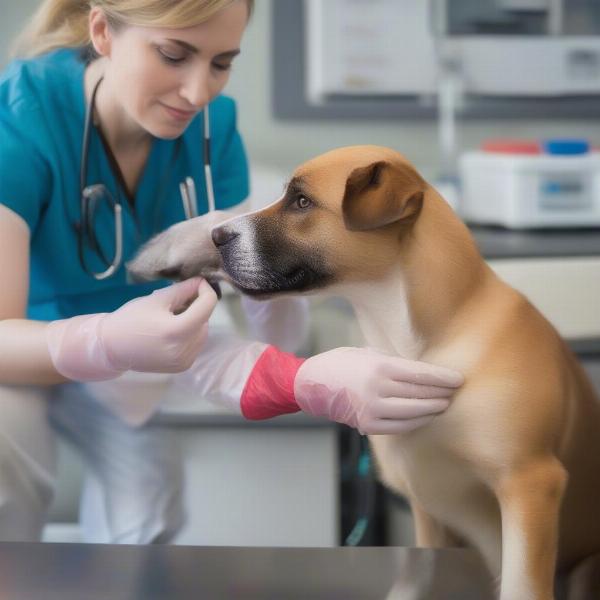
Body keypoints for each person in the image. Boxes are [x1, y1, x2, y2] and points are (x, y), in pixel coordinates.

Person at [0, 0, 464, 544]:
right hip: (22, 353)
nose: (198, 93)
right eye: (174, 55)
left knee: (147, 521)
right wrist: (108, 339)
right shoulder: (19, 122)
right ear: (101, 31)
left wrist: (298, 361)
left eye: (221, 64)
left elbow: (249, 301)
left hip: (135, 365)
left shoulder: (213, 130)